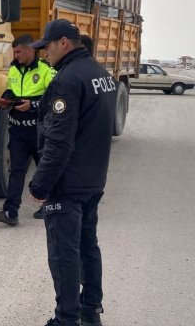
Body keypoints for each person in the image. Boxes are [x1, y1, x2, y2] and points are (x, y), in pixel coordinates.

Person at [28, 19, 116, 326]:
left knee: (64, 254)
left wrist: (40, 185)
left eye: (47, 47)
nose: (44, 54)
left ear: (63, 42)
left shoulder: (67, 80)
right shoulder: (100, 74)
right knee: (88, 245)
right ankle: (90, 309)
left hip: (68, 183)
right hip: (93, 179)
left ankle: (66, 319)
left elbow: (59, 142)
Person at [0, 34, 53, 226]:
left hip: (39, 131)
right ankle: (11, 212)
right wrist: (5, 99)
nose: (15, 55)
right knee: (16, 171)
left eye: (18, 52)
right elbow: (12, 90)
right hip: (17, 131)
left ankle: (50, 206)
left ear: (29, 49)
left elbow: (54, 98)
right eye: (14, 52)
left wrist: (32, 105)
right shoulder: (13, 68)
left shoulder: (46, 70)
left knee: (44, 170)